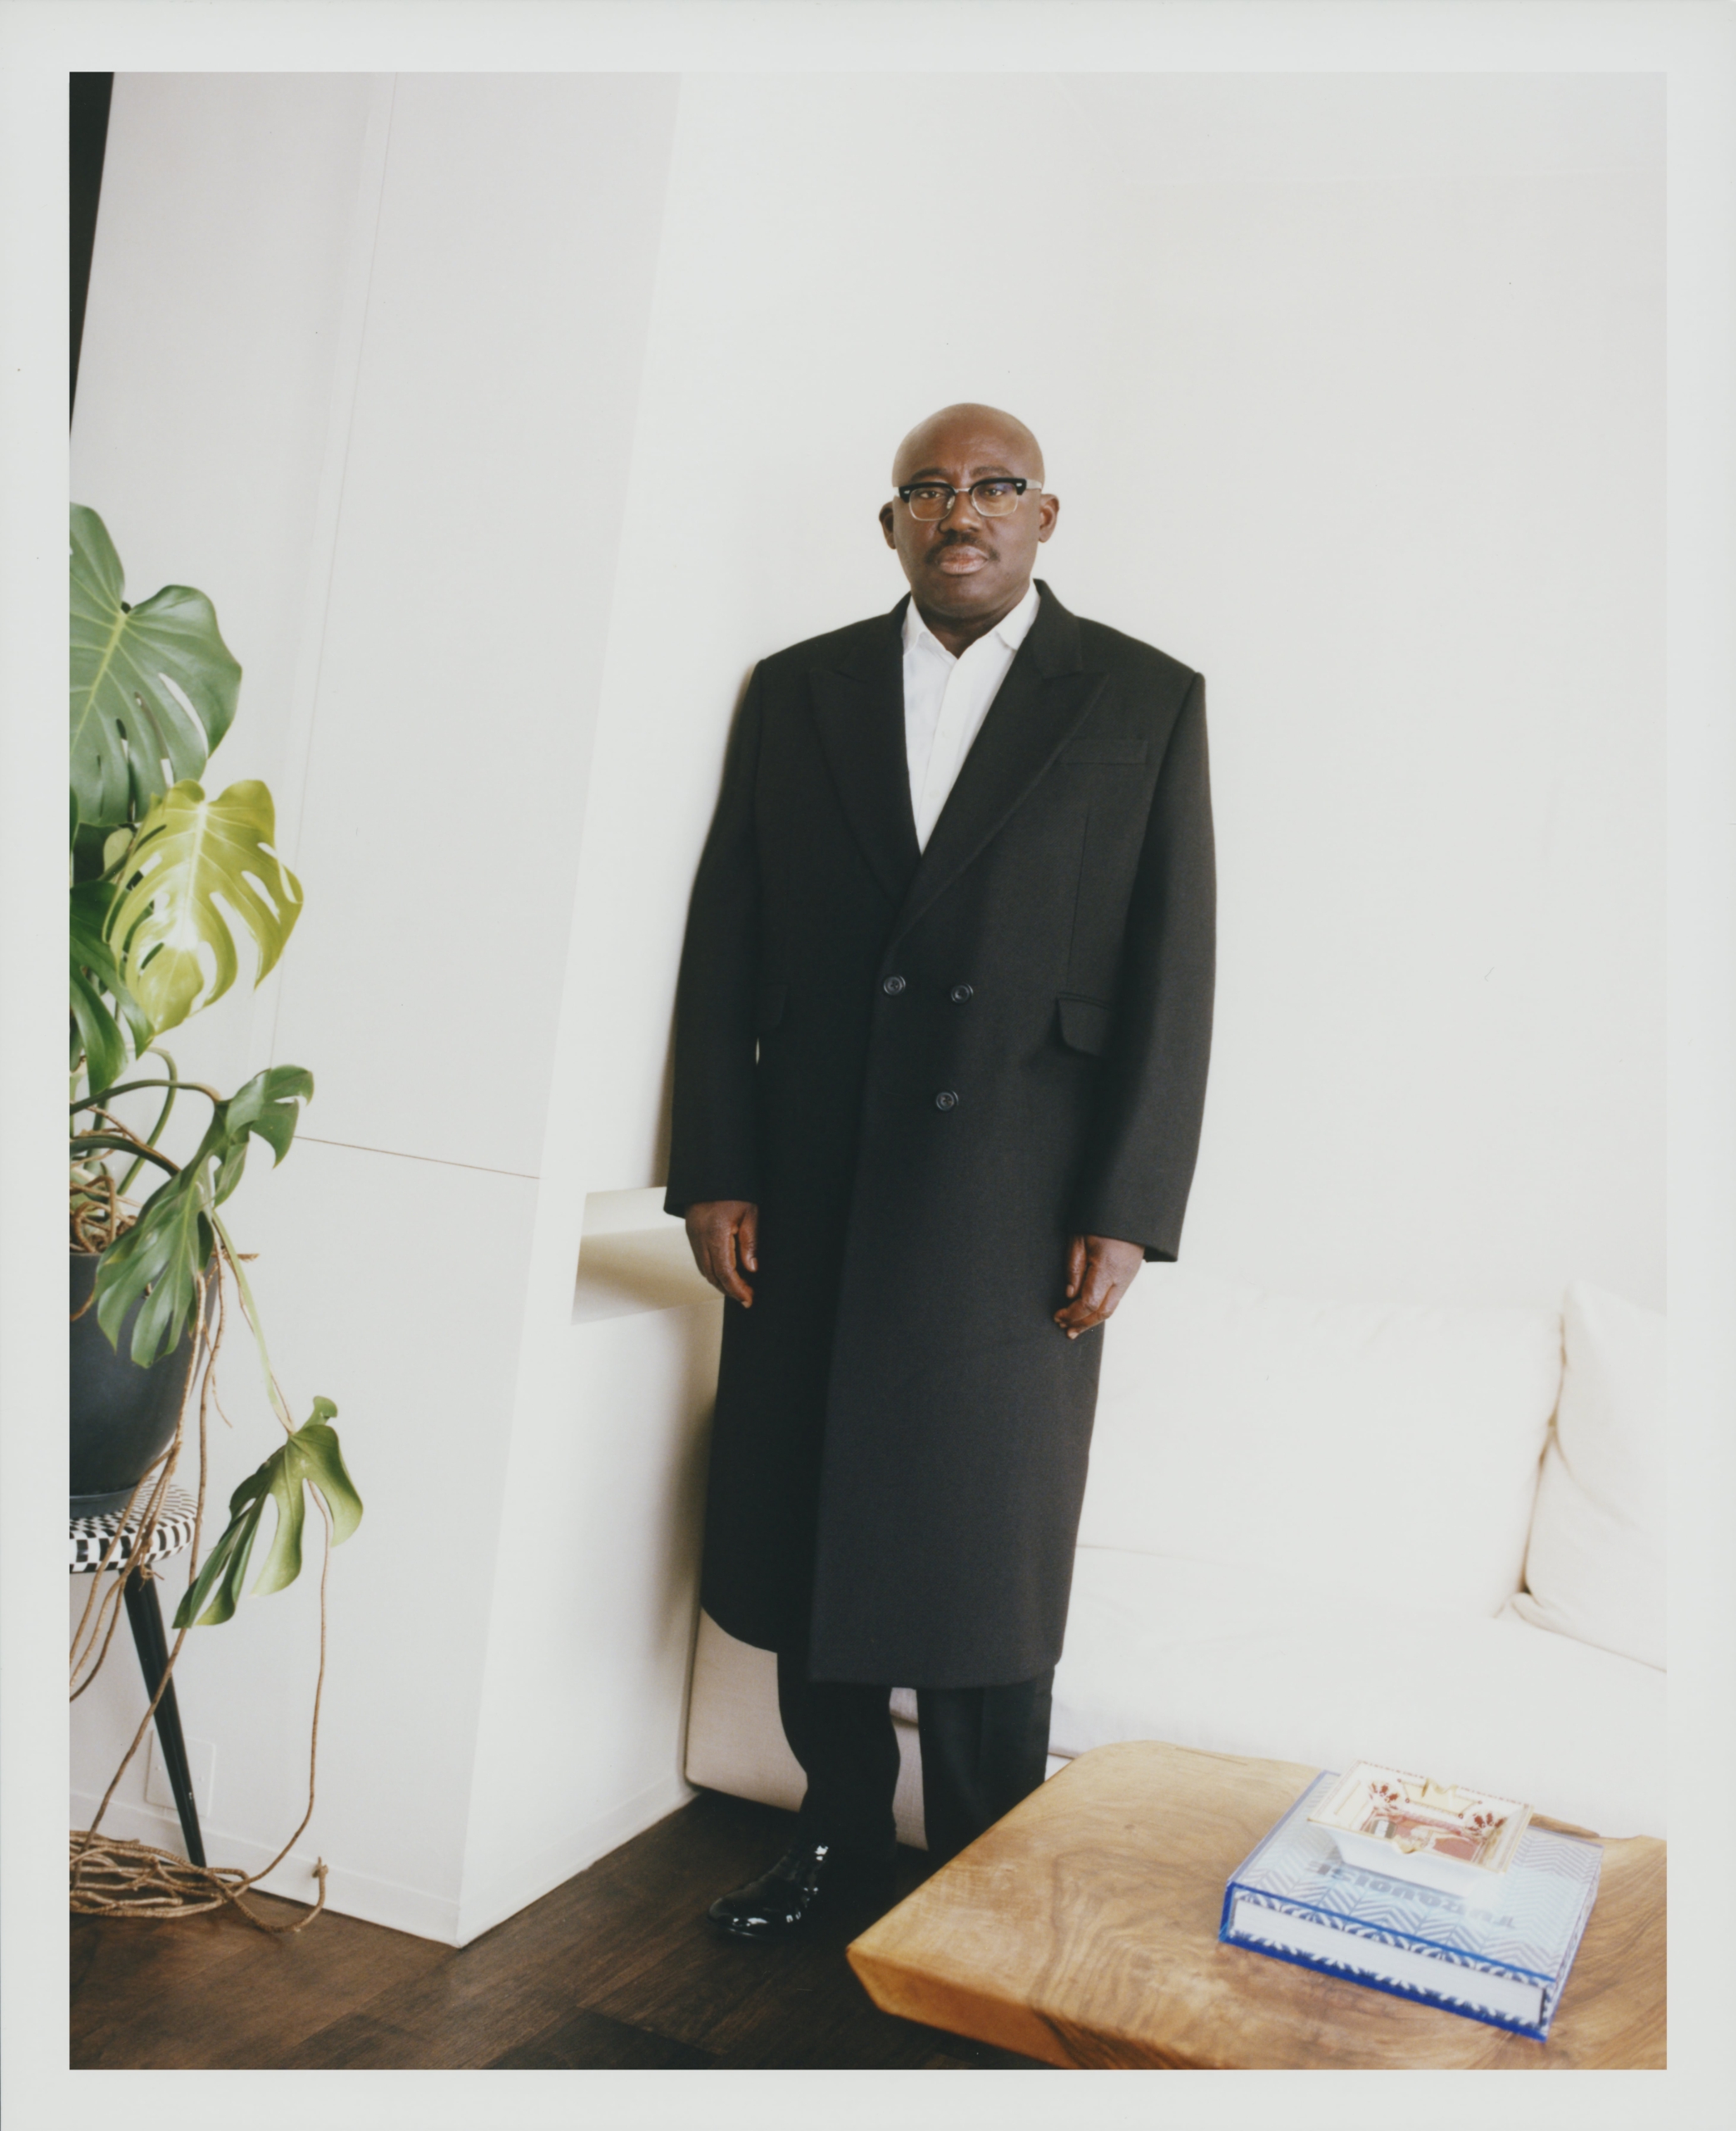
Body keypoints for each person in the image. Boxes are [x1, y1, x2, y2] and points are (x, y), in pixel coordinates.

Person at [665, 403, 1215, 1940]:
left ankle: (986, 1882)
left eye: (991, 487)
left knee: (983, 1556)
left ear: (1044, 515)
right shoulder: (799, 689)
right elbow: (727, 935)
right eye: (926, 489)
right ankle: (835, 1839)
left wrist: (1127, 1208)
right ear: (891, 521)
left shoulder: (1144, 697)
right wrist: (714, 1166)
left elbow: (1174, 966)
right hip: (811, 1179)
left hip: (1018, 1196)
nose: (957, 511)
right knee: (815, 1523)